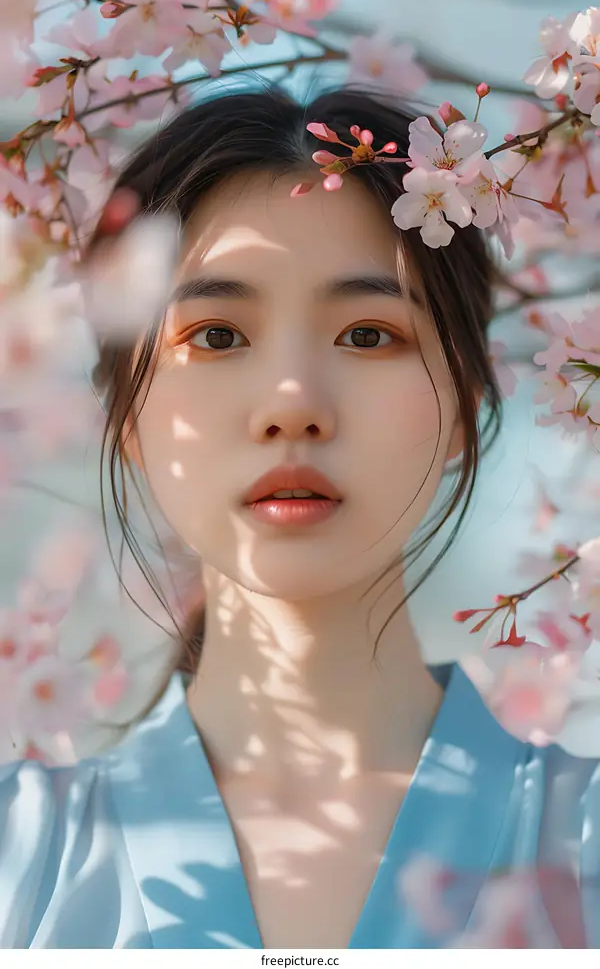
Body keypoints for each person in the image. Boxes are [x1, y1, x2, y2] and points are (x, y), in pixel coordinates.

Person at [0, 85, 598, 950]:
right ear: (127, 412)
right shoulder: (22, 863)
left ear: (466, 398)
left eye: (366, 335)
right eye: (214, 335)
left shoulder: (582, 846)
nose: (292, 404)